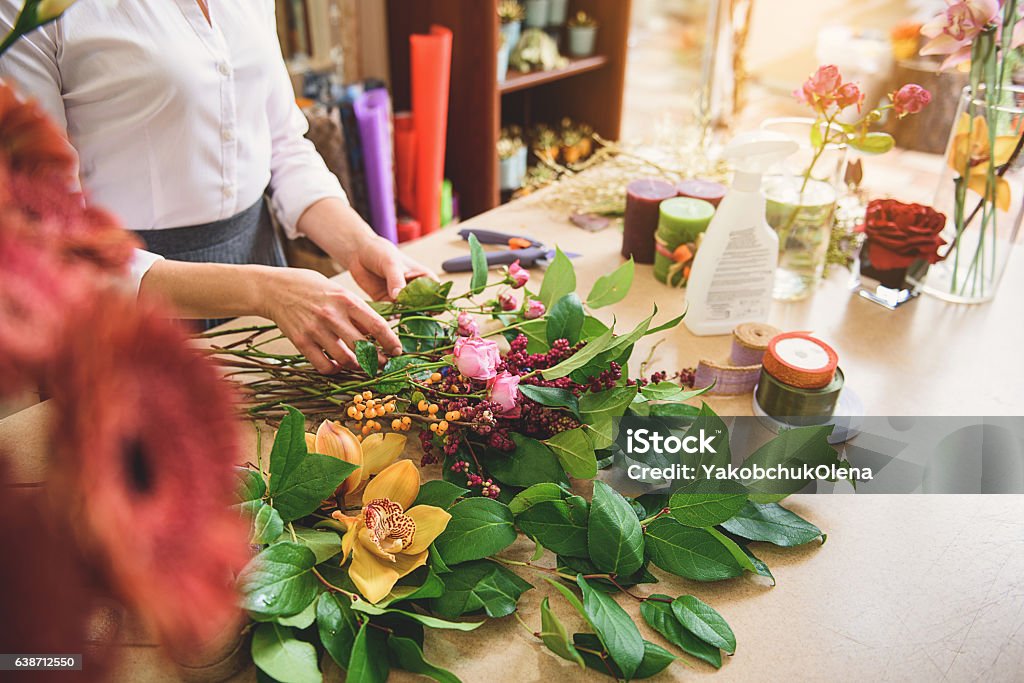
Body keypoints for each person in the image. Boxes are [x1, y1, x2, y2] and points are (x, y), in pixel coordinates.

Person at [0, 0, 431, 374]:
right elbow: (52, 237)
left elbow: (282, 146)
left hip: (268, 282)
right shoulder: (27, 13)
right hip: (131, 303)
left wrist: (358, 245)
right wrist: (266, 292)